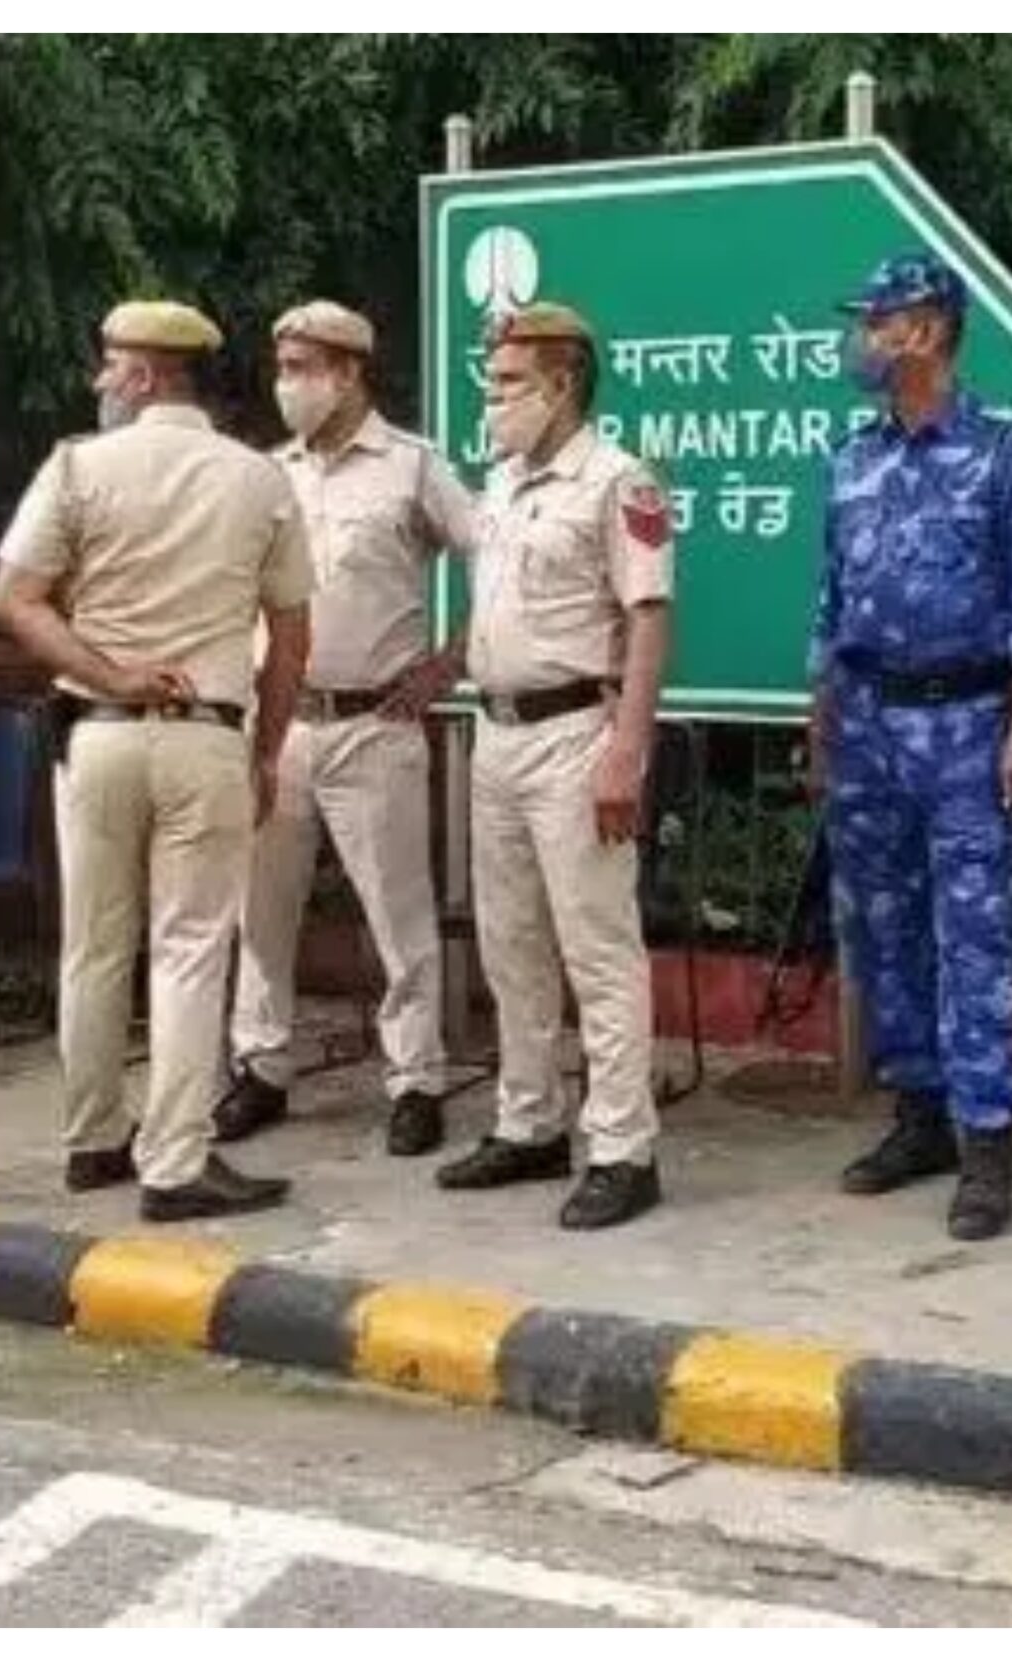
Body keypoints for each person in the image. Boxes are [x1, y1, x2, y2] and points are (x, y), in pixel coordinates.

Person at [0, 299, 315, 1222]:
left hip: (95, 735)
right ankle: (175, 1160)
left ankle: (92, 1140)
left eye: (108, 366)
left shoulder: (76, 468)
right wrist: (265, 751)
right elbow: (291, 638)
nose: (98, 381)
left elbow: (16, 599)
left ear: (142, 376)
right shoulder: (257, 480)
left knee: (94, 945)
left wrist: (112, 674)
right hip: (207, 738)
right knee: (188, 949)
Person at [806, 252, 1012, 1242]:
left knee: (974, 936)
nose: (859, 341)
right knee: (884, 927)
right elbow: (831, 597)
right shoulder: (850, 452)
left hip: (970, 723)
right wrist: (821, 712)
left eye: (873, 323)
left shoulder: (1011, 447)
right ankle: (917, 1116)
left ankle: (987, 1144)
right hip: (868, 720)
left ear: (922, 330)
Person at [219, 300, 481, 1159]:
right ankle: (261, 1065)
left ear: (349, 371)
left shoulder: (412, 468)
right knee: (261, 908)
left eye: (304, 367)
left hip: (377, 719)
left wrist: (451, 659)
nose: (288, 384)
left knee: (398, 913)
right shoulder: (267, 473)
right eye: (282, 366)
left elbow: (501, 556)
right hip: (281, 721)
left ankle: (415, 1080)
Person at [433, 302, 672, 1231]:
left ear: (563, 384)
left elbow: (649, 619)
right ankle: (529, 1122)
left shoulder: (620, 482)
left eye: (507, 386)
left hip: (578, 734)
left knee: (598, 946)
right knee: (511, 941)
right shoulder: (500, 485)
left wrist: (627, 751)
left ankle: (623, 1146)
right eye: (490, 385)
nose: (491, 402)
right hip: (494, 733)